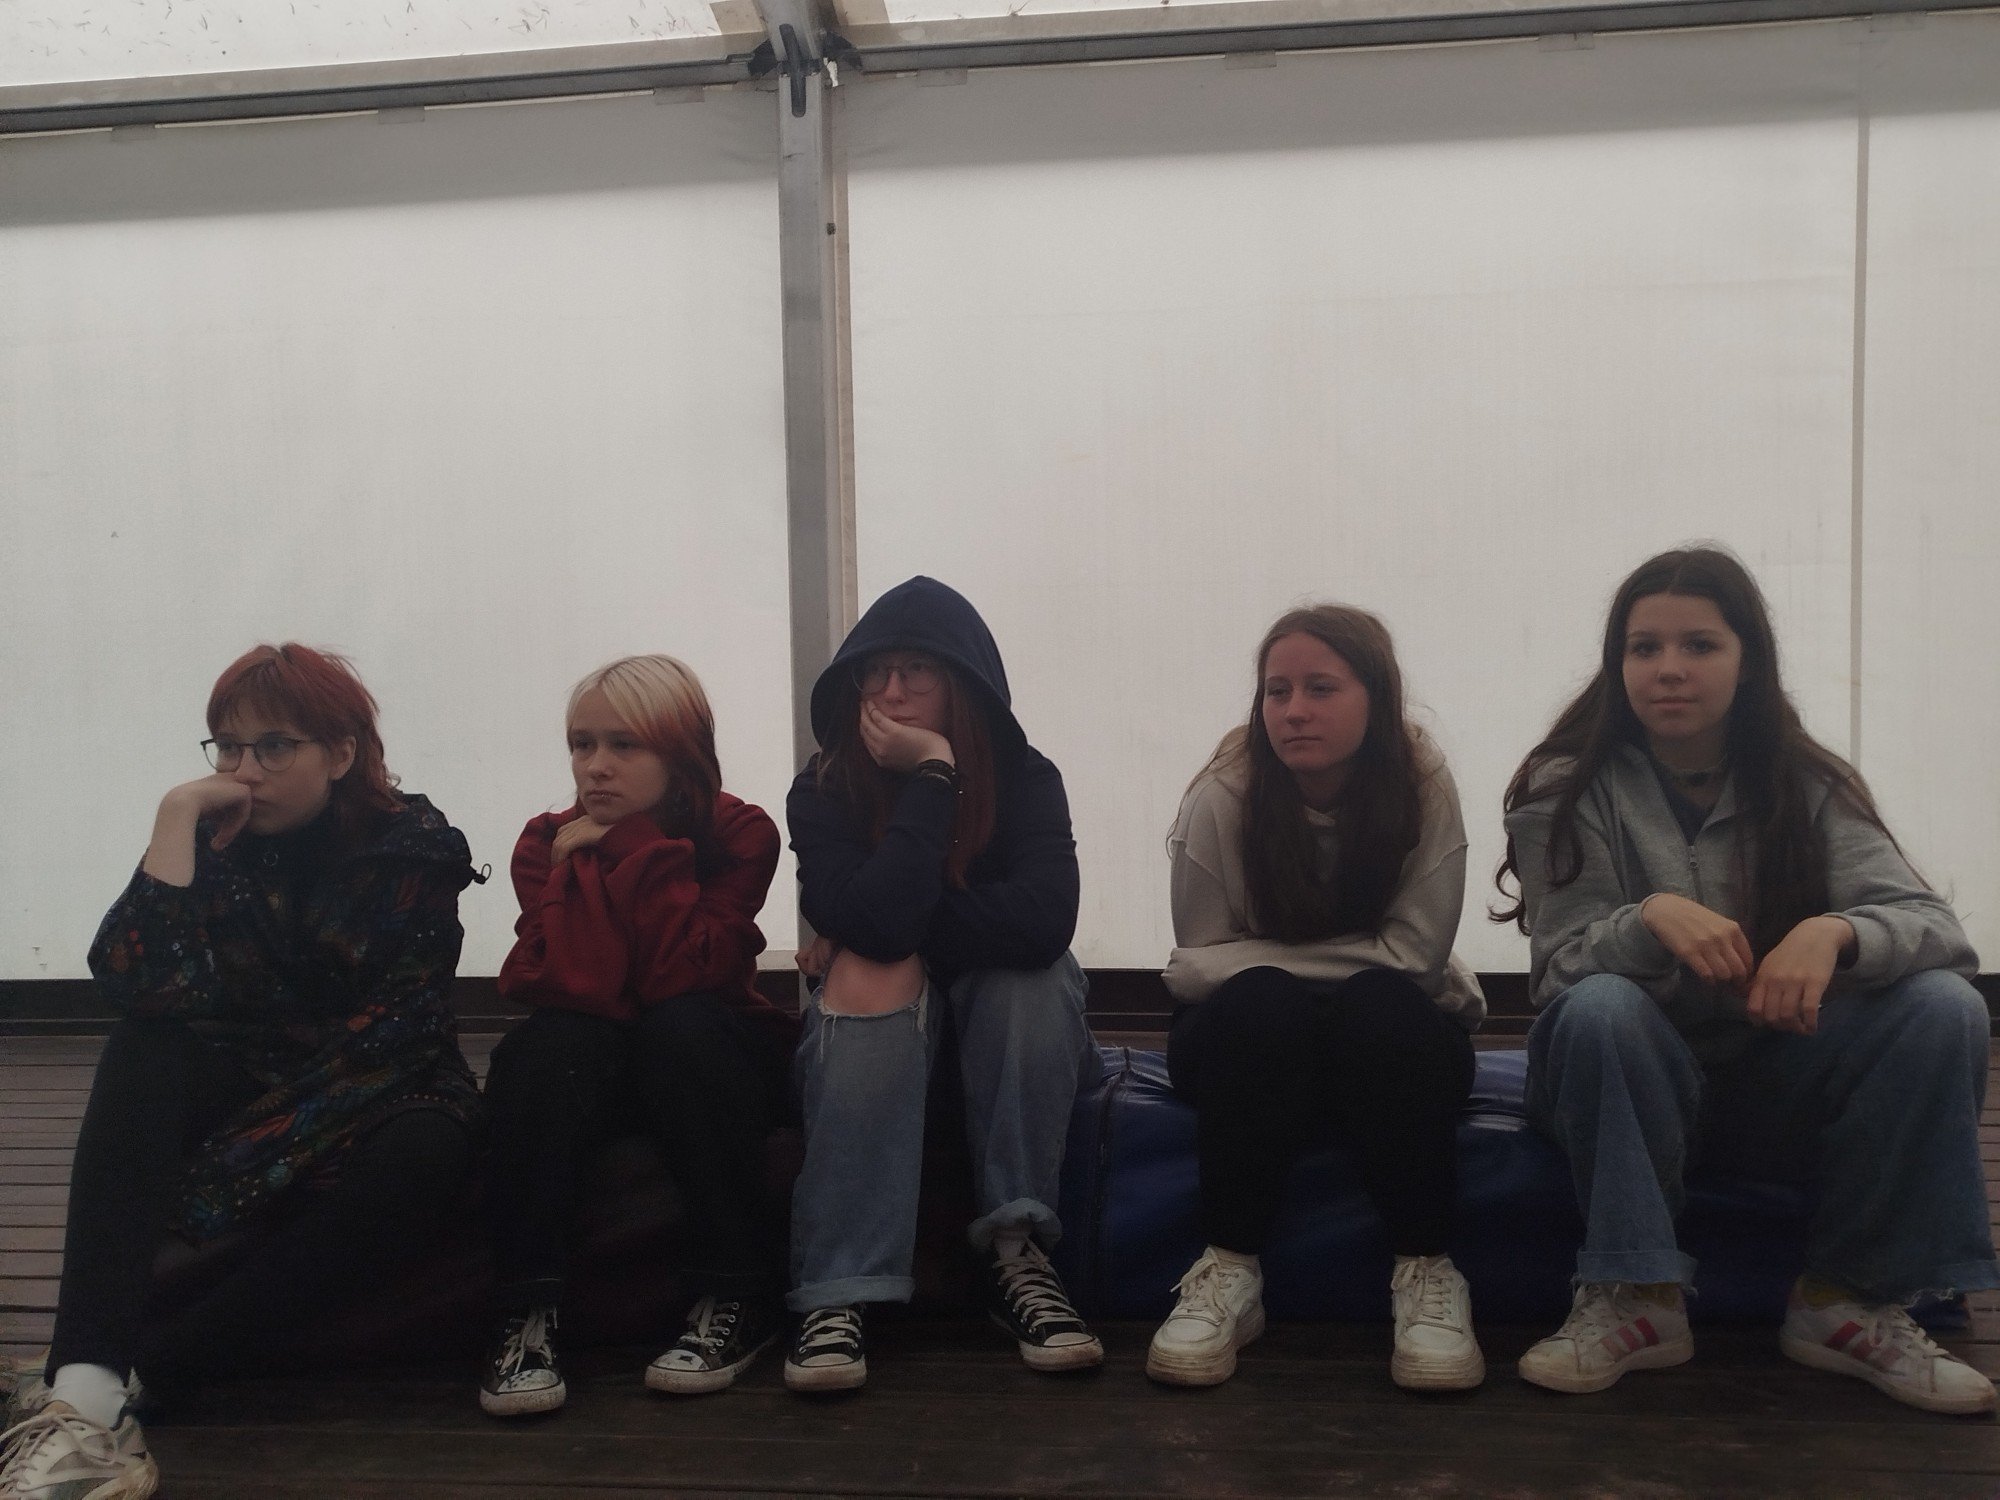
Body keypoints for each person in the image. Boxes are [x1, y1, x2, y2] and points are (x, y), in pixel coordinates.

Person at [1498, 545, 1996, 1414]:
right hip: (1625, 1092)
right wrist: (1650, 917)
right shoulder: (1563, 785)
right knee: (1601, 1006)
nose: (1669, 669)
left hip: (1773, 1088)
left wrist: (1836, 932)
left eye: (1699, 645)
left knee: (1943, 1006)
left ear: (1748, 660)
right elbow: (1560, 972)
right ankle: (1637, 1297)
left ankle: (1849, 1301)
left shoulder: (1807, 781)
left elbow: (1937, 932)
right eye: (1645, 647)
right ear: (1618, 664)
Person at [0, 644, 482, 1500]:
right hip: (254, 1065)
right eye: (227, 747)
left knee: (425, 1152)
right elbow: (139, 985)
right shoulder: (216, 835)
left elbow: (396, 1031)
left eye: (274, 746)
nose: (244, 770)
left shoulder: (413, 851)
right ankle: (85, 1384)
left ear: (341, 753)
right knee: (145, 1050)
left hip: (380, 1081)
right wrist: (173, 819)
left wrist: (247, 1158)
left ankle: (141, 1374)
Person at [1148, 605, 1487, 1391]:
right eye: (1278, 691)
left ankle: (1428, 1274)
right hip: (1250, 1045)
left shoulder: (1423, 786)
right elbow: (1206, 977)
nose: (1294, 710)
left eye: (1321, 688)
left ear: (1378, 697)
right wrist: (1388, 961)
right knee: (1263, 1003)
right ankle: (1229, 1269)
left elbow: (1412, 963)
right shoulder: (1221, 796)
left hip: (1387, 1041)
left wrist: (1394, 970)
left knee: (1381, 1008)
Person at [782, 576, 1101, 1392]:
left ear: (962, 682)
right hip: (878, 1030)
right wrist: (931, 777)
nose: (889, 691)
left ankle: (1016, 1253)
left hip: (1008, 1031)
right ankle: (839, 1289)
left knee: (1028, 978)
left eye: (916, 670)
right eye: (874, 670)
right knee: (872, 967)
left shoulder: (1027, 780)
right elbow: (883, 931)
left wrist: (890, 925)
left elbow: (1044, 923)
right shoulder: (823, 789)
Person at [477, 655, 787, 1416]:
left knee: (679, 1027)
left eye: (624, 745)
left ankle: (735, 1294)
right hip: (600, 1052)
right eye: (582, 744)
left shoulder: (740, 833)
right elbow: (574, 985)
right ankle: (526, 1313)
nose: (596, 767)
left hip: (707, 1052)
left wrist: (627, 847)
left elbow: (682, 973)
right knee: (551, 1044)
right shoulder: (543, 843)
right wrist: (578, 867)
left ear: (680, 755)